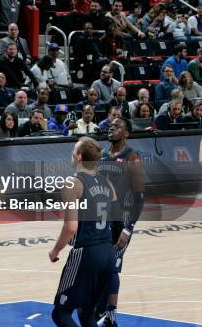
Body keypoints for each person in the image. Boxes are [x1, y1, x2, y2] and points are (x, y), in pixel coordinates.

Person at [48, 137, 117, 327]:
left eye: (74, 149)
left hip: (87, 253)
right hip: (108, 251)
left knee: (61, 313)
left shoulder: (73, 183)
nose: (72, 152)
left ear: (78, 156)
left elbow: (71, 227)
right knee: (87, 313)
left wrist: (55, 251)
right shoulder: (107, 183)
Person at [96, 117, 145, 327]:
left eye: (117, 127)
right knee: (100, 266)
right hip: (103, 217)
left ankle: (110, 315)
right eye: (111, 126)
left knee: (112, 266)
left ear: (126, 134)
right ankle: (99, 310)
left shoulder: (132, 156)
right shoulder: (103, 155)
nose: (112, 128)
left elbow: (140, 196)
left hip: (122, 220)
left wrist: (129, 228)